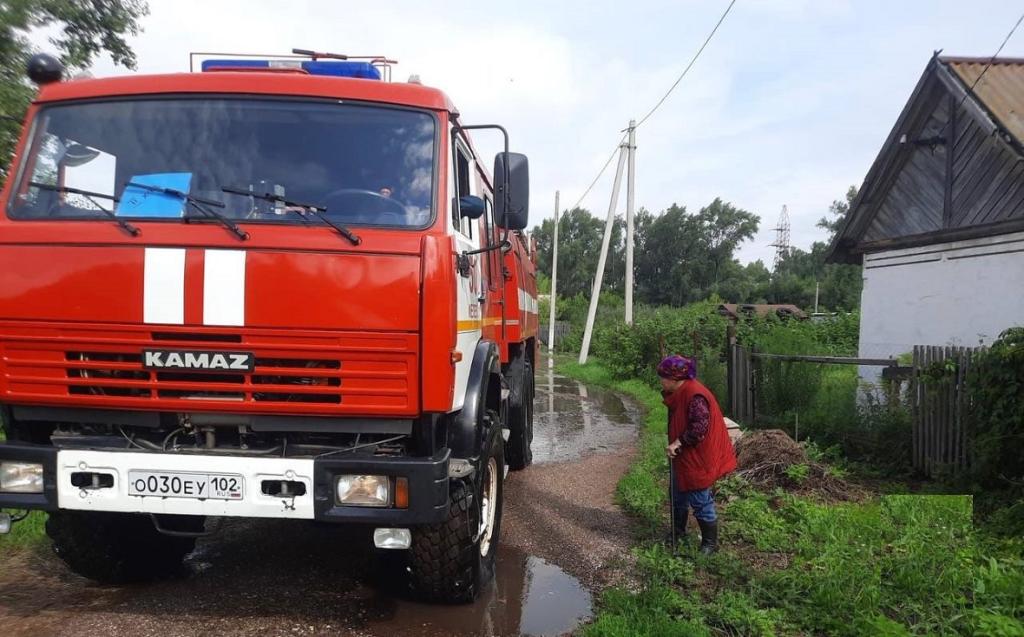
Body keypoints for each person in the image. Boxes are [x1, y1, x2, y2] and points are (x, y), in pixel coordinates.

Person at [658, 354, 737, 554]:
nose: (661, 381)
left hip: (699, 457)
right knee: (677, 494)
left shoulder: (695, 395)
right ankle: (678, 532)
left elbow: (699, 429)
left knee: (700, 499)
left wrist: (677, 442)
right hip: (684, 455)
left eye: (663, 377)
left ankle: (710, 544)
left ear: (675, 378)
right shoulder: (679, 392)